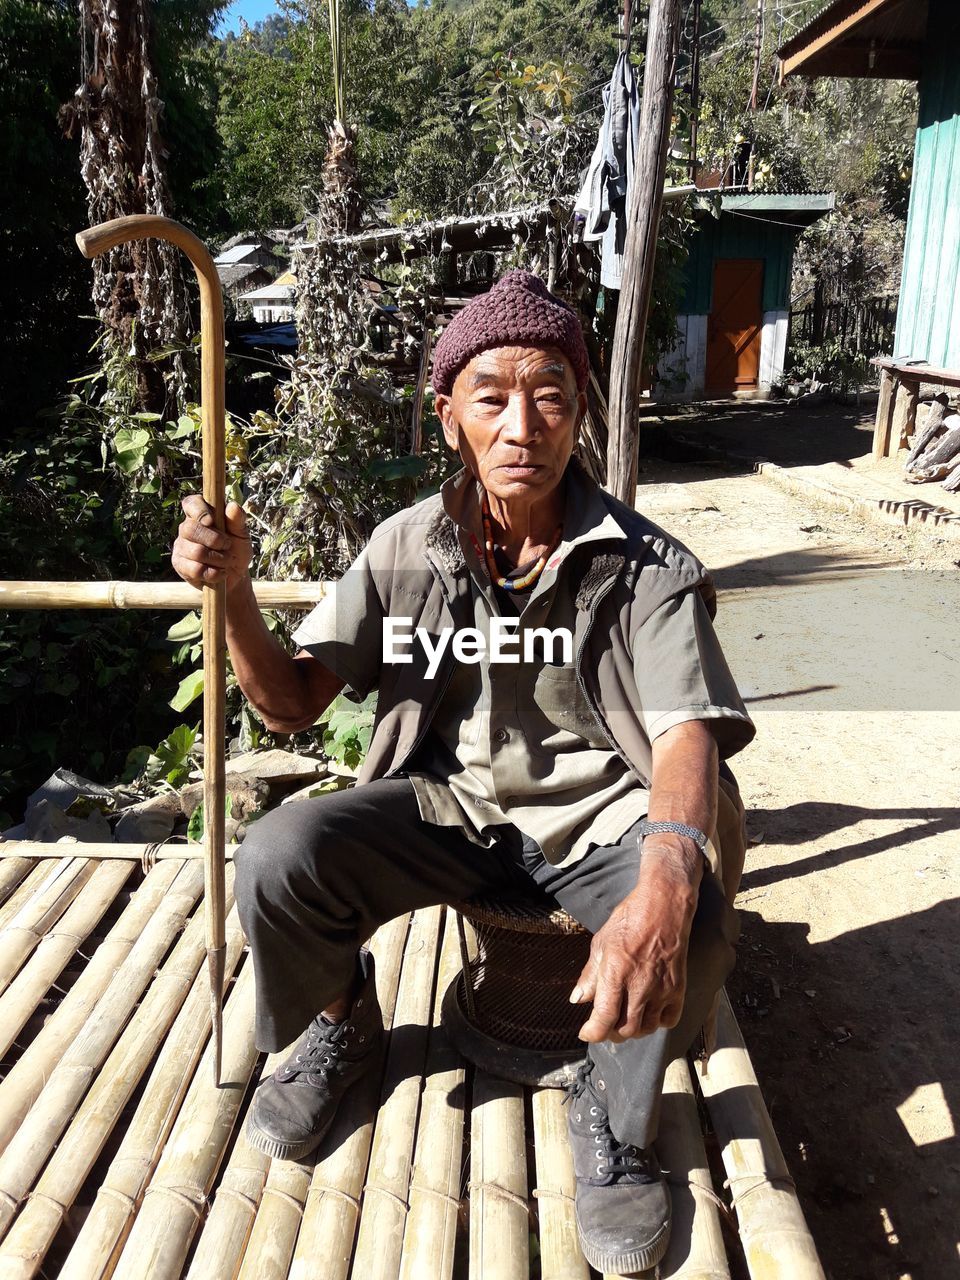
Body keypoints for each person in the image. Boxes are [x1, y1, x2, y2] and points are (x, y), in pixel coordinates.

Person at [171, 269, 755, 1275]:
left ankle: (616, 1115)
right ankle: (340, 1023)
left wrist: (665, 876)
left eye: (550, 395)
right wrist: (231, 598)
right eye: (491, 396)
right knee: (278, 852)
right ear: (450, 418)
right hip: (446, 811)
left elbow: (688, 734)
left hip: (597, 827)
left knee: (693, 910)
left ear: (581, 416)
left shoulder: (646, 563)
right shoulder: (408, 543)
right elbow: (288, 702)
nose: (522, 423)